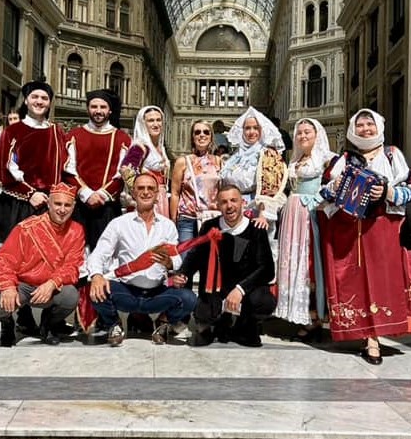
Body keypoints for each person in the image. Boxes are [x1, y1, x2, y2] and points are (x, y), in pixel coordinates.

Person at [319, 109, 411, 365]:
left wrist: (386, 192)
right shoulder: (343, 158)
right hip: (349, 230)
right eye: (360, 125)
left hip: (382, 229)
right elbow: (324, 190)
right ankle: (362, 333)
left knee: (382, 279)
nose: (365, 129)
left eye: (369, 124)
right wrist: (336, 187)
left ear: (379, 126)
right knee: (354, 281)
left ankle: (375, 336)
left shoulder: (392, 155)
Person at [0, 80, 68, 335]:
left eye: (44, 98)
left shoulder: (57, 132)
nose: (39, 102)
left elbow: (65, 169)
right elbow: (2, 170)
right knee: (16, 260)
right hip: (19, 204)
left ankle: (49, 319)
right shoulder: (13, 132)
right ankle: (14, 317)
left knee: (49, 259)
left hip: (49, 206)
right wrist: (30, 193)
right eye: (35, 97)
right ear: (26, 100)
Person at [87, 173, 197, 346]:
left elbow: (176, 261)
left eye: (150, 188)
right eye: (140, 188)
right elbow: (99, 254)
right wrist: (96, 276)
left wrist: (168, 263)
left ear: (157, 195)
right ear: (133, 193)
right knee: (96, 290)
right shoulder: (119, 223)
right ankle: (114, 325)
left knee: (189, 298)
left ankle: (163, 322)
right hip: (126, 291)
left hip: (157, 293)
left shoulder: (167, 225)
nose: (146, 192)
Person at [178, 184, 277, 347]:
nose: (229, 205)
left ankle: (245, 324)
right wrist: (183, 273)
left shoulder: (255, 229)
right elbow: (195, 256)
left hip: (245, 290)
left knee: (264, 301)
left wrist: (240, 289)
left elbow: (267, 269)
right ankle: (213, 326)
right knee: (203, 313)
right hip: (217, 288)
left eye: (233, 200)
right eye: (224, 202)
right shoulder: (210, 227)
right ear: (218, 206)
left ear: (242, 203)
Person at [0, 183, 85, 347]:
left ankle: (48, 325)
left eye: (67, 205)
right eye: (58, 204)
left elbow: (72, 265)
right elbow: (5, 259)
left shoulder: (77, 230)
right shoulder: (26, 228)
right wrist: (8, 287)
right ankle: (8, 325)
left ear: (73, 207)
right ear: (49, 203)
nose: (62, 209)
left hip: (50, 286)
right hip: (23, 284)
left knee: (70, 297)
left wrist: (52, 283)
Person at [274, 118, 333, 340]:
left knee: (310, 261)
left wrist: (317, 199)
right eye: (299, 133)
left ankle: (316, 315)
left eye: (307, 132)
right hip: (292, 214)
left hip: (311, 214)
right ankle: (299, 312)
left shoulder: (326, 159)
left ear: (317, 134)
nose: (303, 136)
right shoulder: (296, 159)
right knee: (294, 259)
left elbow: (333, 184)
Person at [65, 89, 131, 251]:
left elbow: (122, 173)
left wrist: (101, 194)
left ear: (110, 110)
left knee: (105, 253)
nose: (98, 111)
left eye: (103, 107)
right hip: (80, 205)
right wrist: (86, 194)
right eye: (94, 106)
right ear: (88, 109)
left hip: (107, 206)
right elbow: (68, 169)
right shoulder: (74, 135)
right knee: (76, 253)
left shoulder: (122, 138)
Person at [219, 107, 288, 254]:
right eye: (247, 128)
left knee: (257, 252)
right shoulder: (235, 157)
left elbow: (272, 186)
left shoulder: (268, 154)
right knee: (235, 252)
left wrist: (264, 214)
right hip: (234, 209)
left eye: (255, 128)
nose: (251, 132)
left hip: (256, 207)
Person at [170, 120, 222, 246]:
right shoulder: (182, 161)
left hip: (210, 217)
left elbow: (221, 190)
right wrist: (173, 219)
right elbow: (175, 192)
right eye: (197, 132)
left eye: (206, 132)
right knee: (186, 258)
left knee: (207, 259)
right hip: (187, 218)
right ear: (192, 137)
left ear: (211, 137)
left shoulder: (218, 161)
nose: (202, 135)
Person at [120, 105, 170, 217]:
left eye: (159, 120)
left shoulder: (160, 147)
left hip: (160, 198)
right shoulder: (140, 147)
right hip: (146, 201)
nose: (156, 124)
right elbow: (125, 169)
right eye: (151, 121)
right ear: (143, 124)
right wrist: (143, 190)